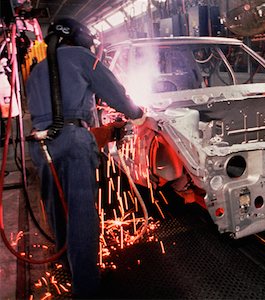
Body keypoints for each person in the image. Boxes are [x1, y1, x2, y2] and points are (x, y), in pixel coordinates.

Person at [26, 18, 145, 297]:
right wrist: (138, 114)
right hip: (72, 141)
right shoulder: (82, 57)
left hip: (41, 147)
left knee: (57, 208)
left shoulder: (38, 69)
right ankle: (87, 288)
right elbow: (116, 94)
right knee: (81, 216)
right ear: (81, 39)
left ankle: (64, 265)